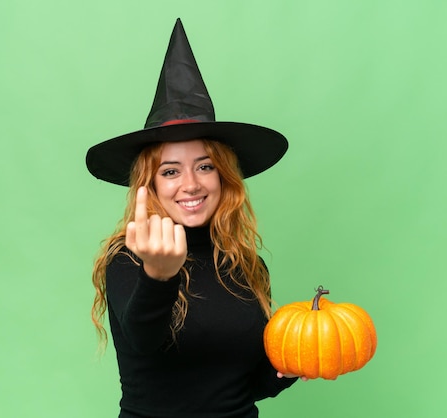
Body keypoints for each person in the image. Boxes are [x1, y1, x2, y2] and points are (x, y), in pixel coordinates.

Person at [87, 19, 300, 418]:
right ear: (148, 185)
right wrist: (159, 274)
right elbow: (143, 342)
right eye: (170, 171)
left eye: (204, 167)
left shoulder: (247, 265)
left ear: (224, 176)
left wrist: (289, 366)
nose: (190, 184)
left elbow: (244, 384)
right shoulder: (128, 258)